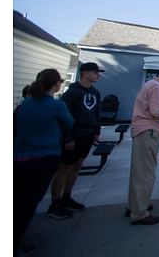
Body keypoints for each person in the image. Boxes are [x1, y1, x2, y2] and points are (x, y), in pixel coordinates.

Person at [14, 69, 74, 256]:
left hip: (19, 157)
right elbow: (69, 123)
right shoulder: (56, 106)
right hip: (43, 157)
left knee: (16, 199)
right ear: (56, 84)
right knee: (28, 203)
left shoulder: (25, 104)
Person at [48, 62, 104, 219]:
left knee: (77, 166)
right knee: (64, 169)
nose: (98, 75)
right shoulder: (72, 93)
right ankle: (55, 203)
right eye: (95, 72)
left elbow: (96, 113)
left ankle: (67, 196)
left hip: (87, 135)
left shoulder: (95, 92)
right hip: (74, 136)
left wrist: (96, 131)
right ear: (85, 73)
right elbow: (64, 118)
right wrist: (68, 138)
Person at [126, 69, 159, 225]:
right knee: (146, 172)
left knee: (138, 171)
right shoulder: (158, 87)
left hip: (142, 130)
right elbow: (156, 111)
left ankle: (135, 205)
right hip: (148, 131)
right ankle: (140, 213)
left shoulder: (149, 84)